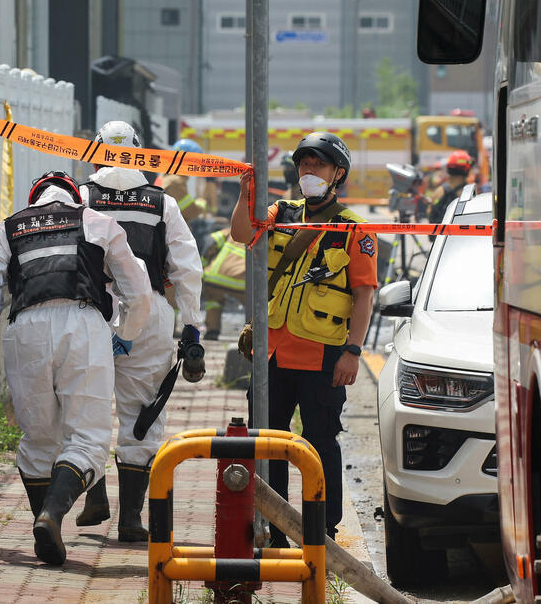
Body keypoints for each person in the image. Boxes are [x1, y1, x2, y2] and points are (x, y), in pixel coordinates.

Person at [0, 170, 152, 566]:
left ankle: (43, 527)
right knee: (88, 436)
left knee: (37, 438)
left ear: (34, 198)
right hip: (83, 325)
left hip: (24, 330)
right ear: (75, 197)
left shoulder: (6, 228)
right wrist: (123, 331)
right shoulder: (97, 222)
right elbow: (138, 290)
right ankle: (51, 515)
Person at [230, 131, 377, 547]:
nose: (309, 171)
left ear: (338, 174)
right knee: (269, 440)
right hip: (272, 354)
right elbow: (242, 235)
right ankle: (274, 528)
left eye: (319, 165)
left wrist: (352, 352)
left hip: (323, 356)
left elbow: (365, 295)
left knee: (320, 442)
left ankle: (322, 531)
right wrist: (246, 196)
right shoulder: (281, 211)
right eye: (304, 164)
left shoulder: (355, 229)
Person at [73, 121, 204, 542]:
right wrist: (192, 329)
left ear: (95, 152)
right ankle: (130, 516)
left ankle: (95, 496)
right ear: (140, 153)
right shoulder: (160, 203)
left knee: (83, 407)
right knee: (142, 413)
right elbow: (186, 267)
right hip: (149, 314)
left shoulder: (80, 197)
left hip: (91, 312)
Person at [201, 227, 246, 340]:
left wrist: (203, 265)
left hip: (215, 277)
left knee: (213, 302)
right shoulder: (263, 232)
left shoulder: (232, 231)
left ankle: (212, 330)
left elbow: (211, 241)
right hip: (243, 282)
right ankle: (250, 335)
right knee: (253, 306)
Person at [427, 150, 473, 223]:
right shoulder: (470, 191)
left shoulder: (440, 190)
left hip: (439, 233)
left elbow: (429, 211)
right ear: (467, 170)